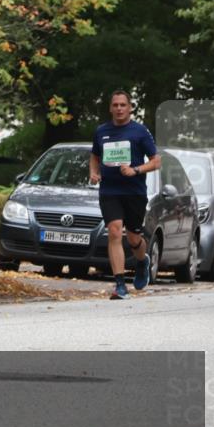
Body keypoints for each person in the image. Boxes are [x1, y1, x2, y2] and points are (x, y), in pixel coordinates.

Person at [89, 89, 160, 300]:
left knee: (134, 238)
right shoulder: (101, 131)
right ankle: (120, 284)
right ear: (111, 108)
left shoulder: (140, 132)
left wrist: (135, 170)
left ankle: (142, 262)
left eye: (123, 105)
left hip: (134, 192)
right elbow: (94, 156)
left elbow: (156, 161)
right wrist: (94, 172)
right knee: (114, 231)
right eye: (115, 105)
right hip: (110, 191)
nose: (119, 108)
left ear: (129, 108)